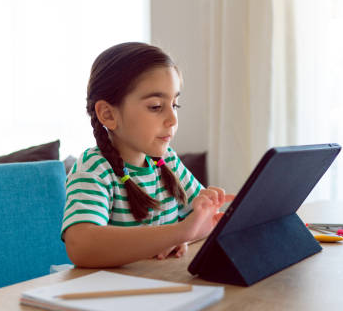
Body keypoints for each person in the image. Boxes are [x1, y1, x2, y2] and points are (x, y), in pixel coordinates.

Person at [62, 42, 233, 268]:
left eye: (175, 105)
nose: (173, 119)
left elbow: (203, 224)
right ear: (108, 114)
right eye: (155, 106)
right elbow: (81, 246)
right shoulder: (94, 168)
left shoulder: (166, 161)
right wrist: (179, 232)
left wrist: (185, 233)